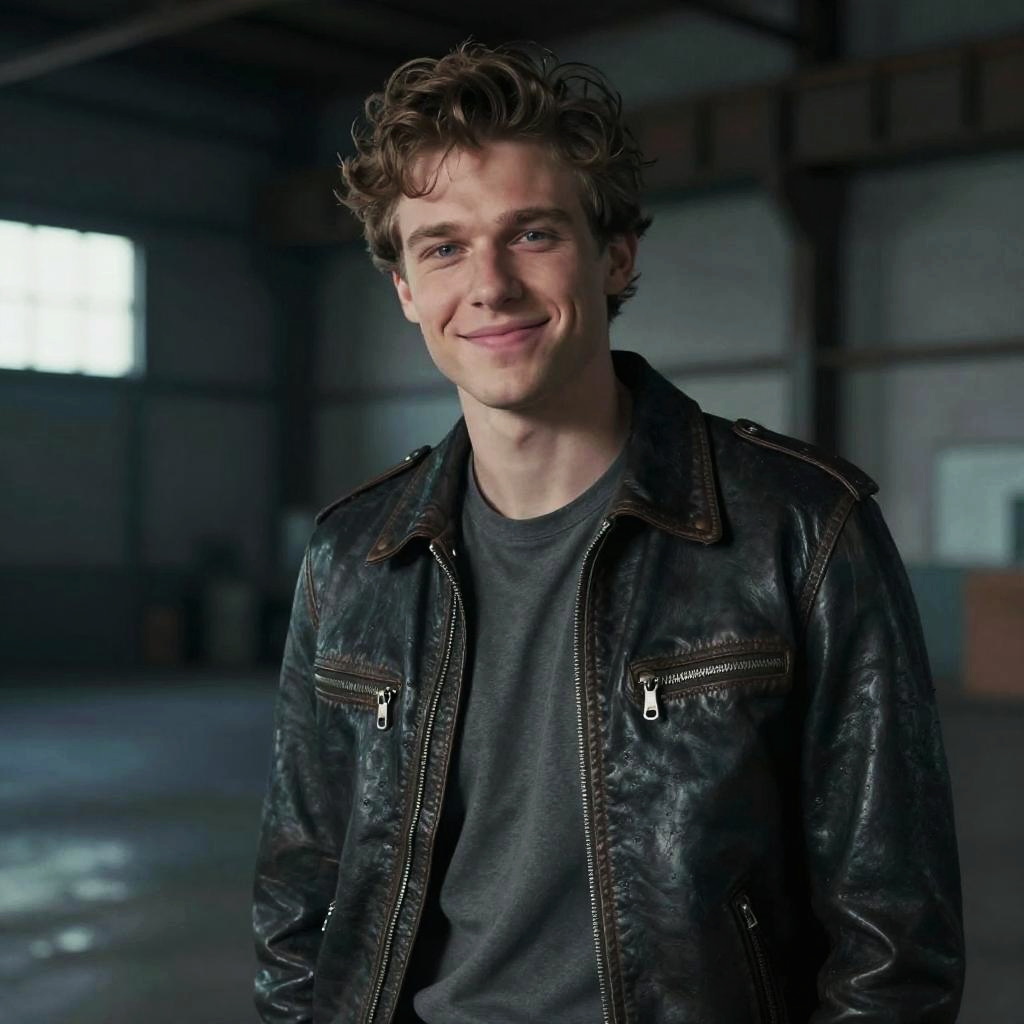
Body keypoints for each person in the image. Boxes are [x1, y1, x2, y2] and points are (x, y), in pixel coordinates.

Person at [253, 41, 964, 1024]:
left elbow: (893, 940)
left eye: (532, 233)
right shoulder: (352, 556)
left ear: (615, 253)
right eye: (444, 246)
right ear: (407, 289)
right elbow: (299, 897)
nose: (489, 284)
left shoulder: (800, 528)